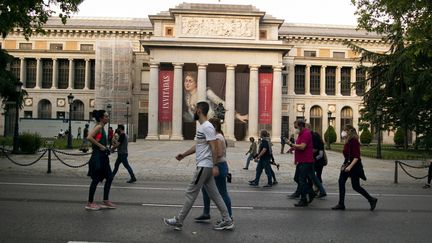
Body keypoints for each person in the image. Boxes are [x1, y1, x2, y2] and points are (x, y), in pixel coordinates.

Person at [163, 101, 234, 231]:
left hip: (204, 166)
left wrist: (214, 166)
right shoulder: (203, 127)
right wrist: (184, 155)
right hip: (205, 166)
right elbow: (199, 146)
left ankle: (179, 220)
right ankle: (228, 220)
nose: (194, 111)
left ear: (199, 111)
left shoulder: (207, 127)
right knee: (215, 195)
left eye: (195, 109)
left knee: (190, 192)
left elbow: (214, 147)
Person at [332, 124, 378, 211]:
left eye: (344, 130)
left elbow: (357, 156)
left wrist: (349, 167)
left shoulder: (354, 141)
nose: (343, 132)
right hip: (347, 163)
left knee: (356, 186)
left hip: (354, 166)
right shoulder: (348, 140)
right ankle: (341, 204)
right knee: (341, 182)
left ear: (349, 131)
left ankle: (371, 199)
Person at [195, 117, 232, 222]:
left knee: (222, 192)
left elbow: (219, 153)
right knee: (205, 189)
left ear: (214, 127)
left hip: (219, 166)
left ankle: (229, 217)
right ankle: (206, 213)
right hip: (216, 165)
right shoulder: (216, 136)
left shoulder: (218, 137)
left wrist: (209, 157)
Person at [182, 72, 248, 123]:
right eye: (186, 81)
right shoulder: (187, 96)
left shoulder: (206, 92)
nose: (187, 83)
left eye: (190, 81)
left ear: (196, 83)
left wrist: (237, 115)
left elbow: (222, 103)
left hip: (211, 123)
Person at [85, 110, 116, 211]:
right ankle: (89, 203)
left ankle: (105, 200)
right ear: (102, 118)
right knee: (96, 179)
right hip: (97, 156)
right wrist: (100, 146)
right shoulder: (98, 127)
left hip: (103, 157)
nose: (108, 118)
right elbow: (89, 137)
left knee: (110, 177)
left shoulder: (102, 128)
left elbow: (97, 139)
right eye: (106, 116)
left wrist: (107, 147)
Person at [287, 119, 315, 207]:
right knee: (297, 178)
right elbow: (298, 145)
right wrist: (292, 147)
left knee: (302, 180)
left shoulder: (306, 133)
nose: (295, 128)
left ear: (301, 126)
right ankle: (311, 192)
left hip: (306, 161)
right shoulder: (301, 134)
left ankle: (304, 200)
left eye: (296, 127)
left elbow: (302, 147)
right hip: (301, 160)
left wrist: (291, 144)